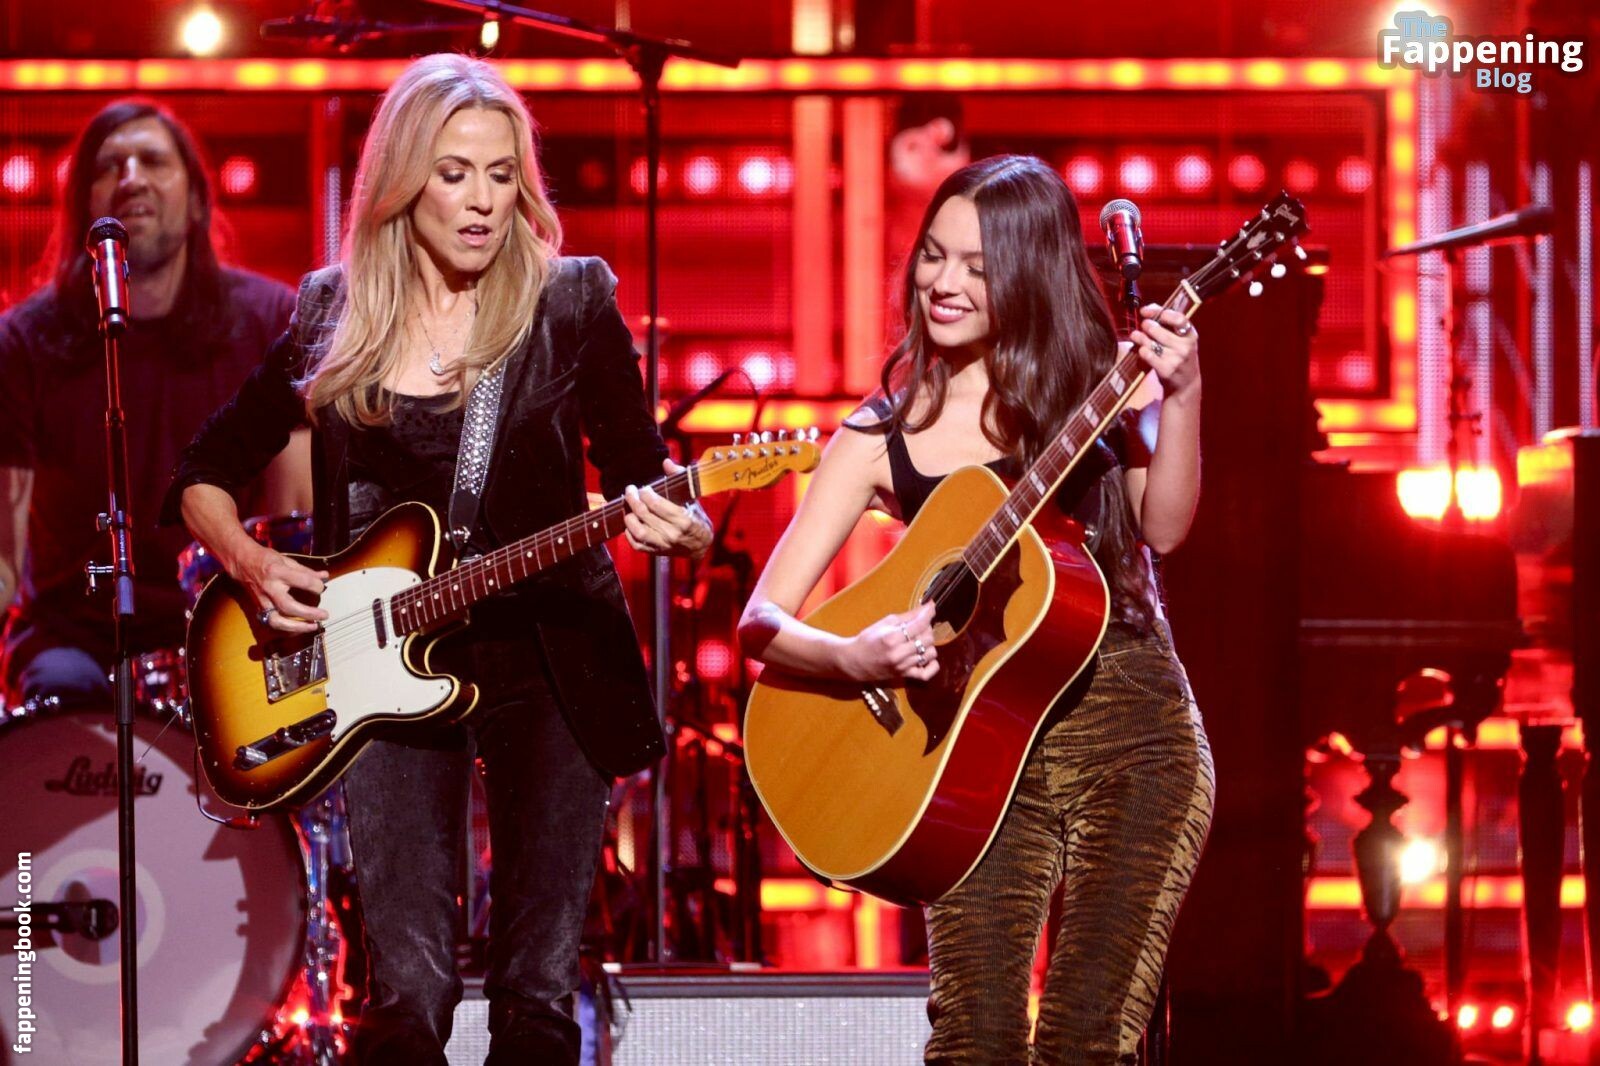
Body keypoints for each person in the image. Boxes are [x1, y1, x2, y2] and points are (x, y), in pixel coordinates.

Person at [163, 54, 710, 1065]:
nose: (483, 201)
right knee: (405, 997)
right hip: (379, 669)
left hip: (551, 657)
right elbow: (202, 472)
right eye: (456, 175)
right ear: (405, 183)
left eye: (502, 175)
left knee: (537, 993)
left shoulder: (567, 302)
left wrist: (684, 521)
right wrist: (249, 561)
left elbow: (647, 473)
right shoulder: (332, 314)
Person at [738, 154, 1216, 1064]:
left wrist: (1183, 395)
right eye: (933, 255)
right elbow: (764, 620)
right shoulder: (878, 435)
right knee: (974, 1041)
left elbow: (1164, 526)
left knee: (1086, 1038)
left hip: (1133, 737)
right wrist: (856, 655)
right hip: (975, 759)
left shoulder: (1099, 386)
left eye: (978, 267)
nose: (943, 283)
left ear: (1029, 274)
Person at [0, 98, 299, 707]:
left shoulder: (270, 320)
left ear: (197, 199)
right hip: (75, 633)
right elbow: (5, 560)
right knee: (60, 698)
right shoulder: (24, 342)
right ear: (83, 205)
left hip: (228, 620)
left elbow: (295, 521)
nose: (131, 177)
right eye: (108, 166)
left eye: (153, 161)